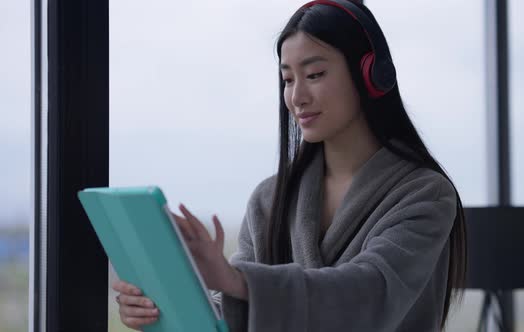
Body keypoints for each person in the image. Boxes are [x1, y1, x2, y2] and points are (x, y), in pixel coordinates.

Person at [112, 0, 467, 331]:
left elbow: (371, 293)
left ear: (370, 75)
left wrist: (237, 280)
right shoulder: (270, 198)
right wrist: (163, 305)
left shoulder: (425, 194)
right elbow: (237, 315)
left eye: (314, 75)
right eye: (288, 79)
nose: (297, 97)